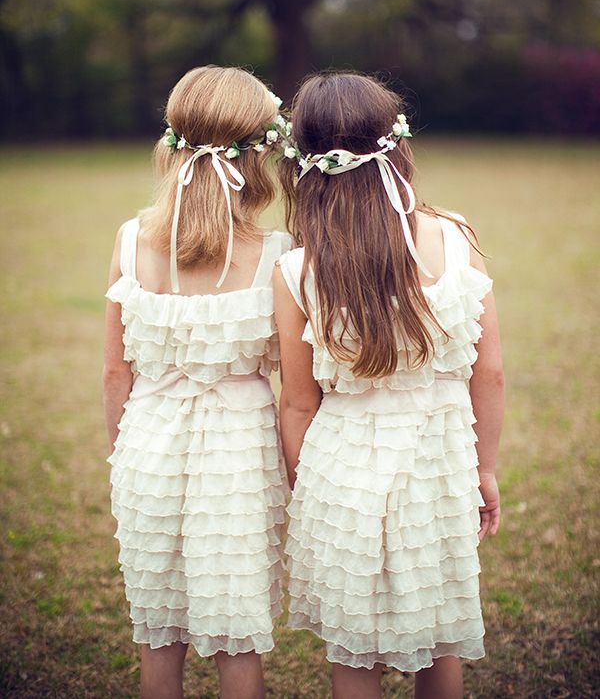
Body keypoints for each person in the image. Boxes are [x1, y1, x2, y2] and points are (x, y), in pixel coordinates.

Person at [273, 71, 505, 699]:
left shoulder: (296, 268)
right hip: (438, 462)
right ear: (398, 146)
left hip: (342, 470)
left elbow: (298, 403)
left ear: (304, 164)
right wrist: (484, 471)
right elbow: (490, 372)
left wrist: (307, 492)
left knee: (355, 651)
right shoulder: (455, 237)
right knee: (438, 642)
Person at [103, 66, 291, 699]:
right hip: (241, 452)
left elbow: (113, 372)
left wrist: (121, 453)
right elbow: (292, 382)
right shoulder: (275, 253)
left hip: (148, 445)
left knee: (159, 633)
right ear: (260, 155)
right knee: (235, 633)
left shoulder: (132, 242)